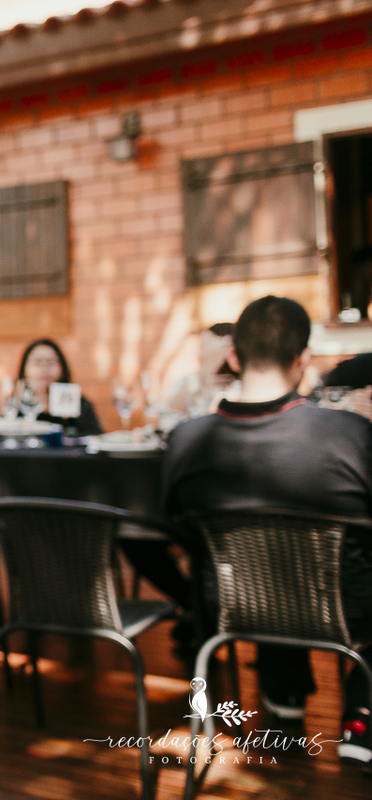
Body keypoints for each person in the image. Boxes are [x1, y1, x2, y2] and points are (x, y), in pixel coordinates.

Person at [163, 295, 372, 767]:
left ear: (233, 356)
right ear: (304, 360)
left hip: (233, 607)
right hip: (348, 612)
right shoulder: (350, 435)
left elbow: (174, 525)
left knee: (269, 569)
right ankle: (361, 715)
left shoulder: (186, 440)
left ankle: (285, 697)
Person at [16, 338, 102, 435]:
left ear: (62, 368)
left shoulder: (81, 405)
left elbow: (96, 438)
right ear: (24, 368)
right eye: (37, 362)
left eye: (51, 362)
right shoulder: (15, 405)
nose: (44, 368)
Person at [162, 322, 237, 418]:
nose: (200, 353)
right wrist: (205, 372)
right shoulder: (188, 382)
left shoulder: (237, 387)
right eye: (201, 346)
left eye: (205, 345)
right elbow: (168, 415)